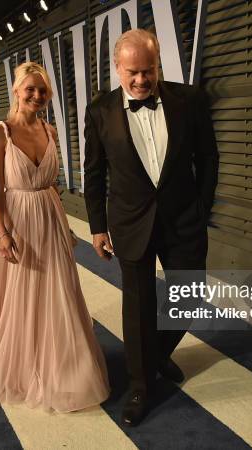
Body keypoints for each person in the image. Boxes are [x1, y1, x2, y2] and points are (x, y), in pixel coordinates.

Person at [0, 62, 110, 412]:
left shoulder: (50, 131)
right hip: (16, 222)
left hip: (49, 219)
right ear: (17, 91)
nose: (37, 95)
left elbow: (51, 186)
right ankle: (21, 366)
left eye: (42, 90)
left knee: (57, 294)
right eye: (30, 89)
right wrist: (2, 233)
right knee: (17, 297)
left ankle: (61, 366)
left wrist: (64, 226)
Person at [83, 29, 219, 426]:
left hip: (183, 218)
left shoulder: (189, 99)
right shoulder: (100, 111)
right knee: (139, 307)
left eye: (149, 70)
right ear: (117, 68)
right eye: (133, 72)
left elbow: (208, 157)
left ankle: (157, 353)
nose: (141, 80)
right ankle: (141, 384)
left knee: (190, 293)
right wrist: (97, 227)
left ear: (158, 64)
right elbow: (94, 173)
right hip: (129, 222)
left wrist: (202, 206)